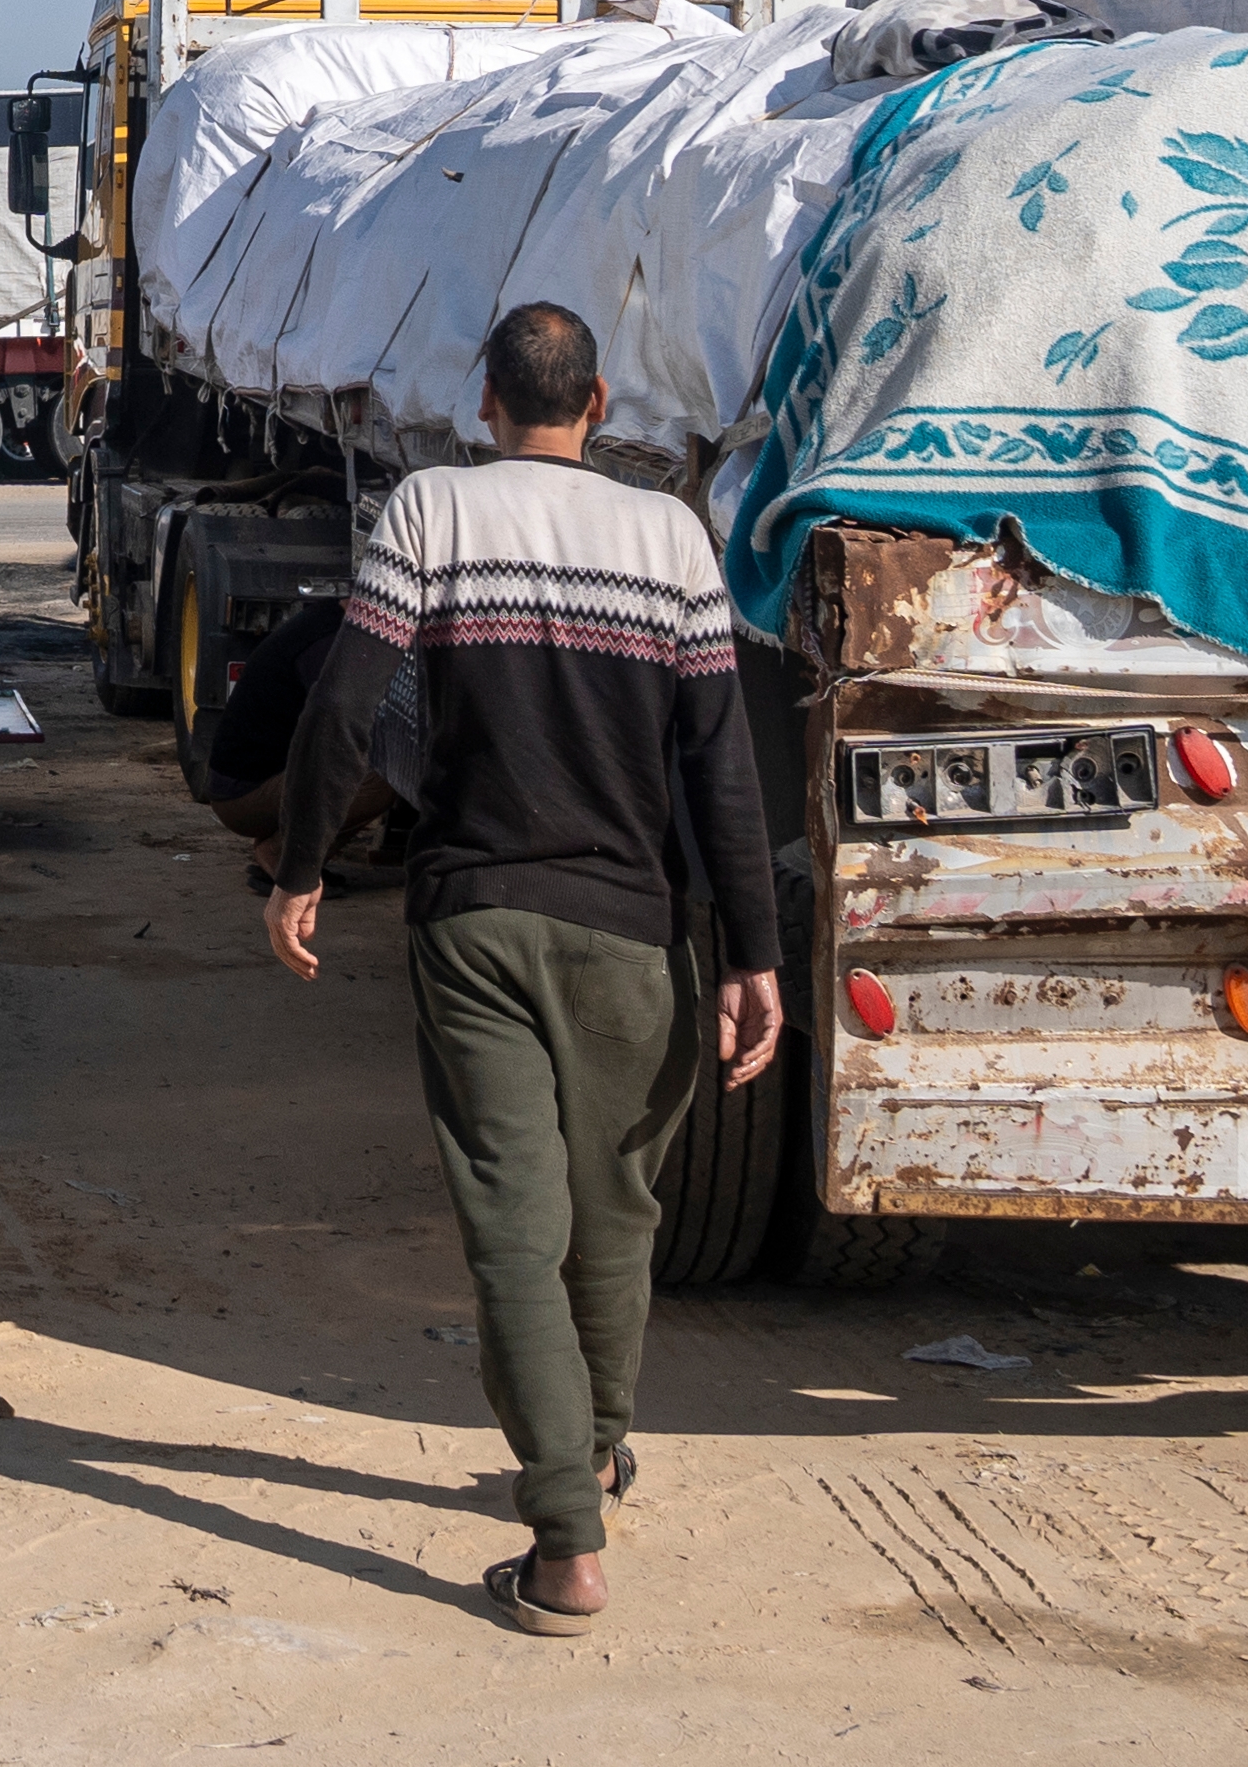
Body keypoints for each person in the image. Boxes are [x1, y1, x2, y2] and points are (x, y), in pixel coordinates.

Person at [258, 299, 782, 1638]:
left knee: (511, 1222)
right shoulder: (670, 537)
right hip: (630, 929)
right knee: (614, 1210)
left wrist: (303, 865)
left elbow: (345, 705)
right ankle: (593, 1448)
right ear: (596, 407)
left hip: (475, 917)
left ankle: (566, 1542)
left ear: (483, 404)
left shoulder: (431, 514)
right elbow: (721, 762)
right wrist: (751, 954)